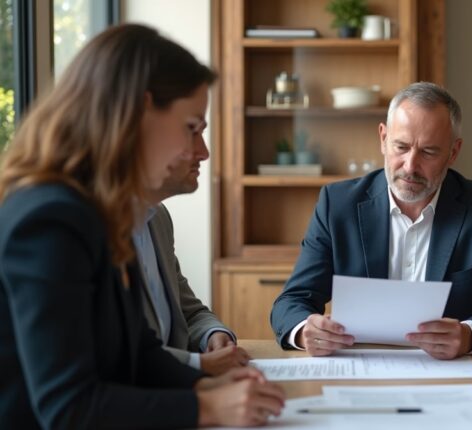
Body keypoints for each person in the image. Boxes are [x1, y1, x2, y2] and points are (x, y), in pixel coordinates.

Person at [0, 24, 284, 428]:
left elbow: (141, 352)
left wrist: (207, 386)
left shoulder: (105, 212)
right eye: (191, 128)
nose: (201, 151)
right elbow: (68, 408)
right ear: (140, 112)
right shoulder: (49, 220)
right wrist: (209, 408)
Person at [271, 82, 472, 360]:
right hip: (359, 365)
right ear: (383, 138)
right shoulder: (337, 204)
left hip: (452, 371)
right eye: (401, 147)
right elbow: (291, 302)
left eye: (429, 152)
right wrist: (304, 331)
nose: (410, 166)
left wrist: (469, 335)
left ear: (453, 153)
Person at [136, 116, 250, 376]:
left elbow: (189, 311)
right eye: (191, 132)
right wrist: (200, 366)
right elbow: (116, 354)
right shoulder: (87, 228)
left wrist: (213, 334)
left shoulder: (157, 218)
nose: (205, 153)